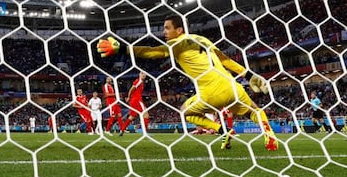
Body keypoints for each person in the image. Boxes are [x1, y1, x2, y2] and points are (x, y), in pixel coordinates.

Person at [97, 14, 278, 151]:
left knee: (184, 111)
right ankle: (269, 136)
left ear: (179, 30)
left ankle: (221, 130)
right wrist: (249, 76)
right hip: (232, 86)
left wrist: (123, 49)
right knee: (254, 110)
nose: (164, 32)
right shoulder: (203, 39)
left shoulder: (178, 43)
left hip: (210, 93)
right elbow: (224, 59)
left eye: (167, 28)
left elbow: (153, 52)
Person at [119, 72, 150, 136]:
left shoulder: (141, 82)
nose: (144, 75)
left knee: (131, 117)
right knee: (146, 115)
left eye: (145, 74)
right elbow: (131, 89)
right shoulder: (138, 81)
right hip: (137, 100)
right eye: (142, 74)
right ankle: (145, 133)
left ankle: (122, 130)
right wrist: (128, 97)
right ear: (139, 74)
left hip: (134, 101)